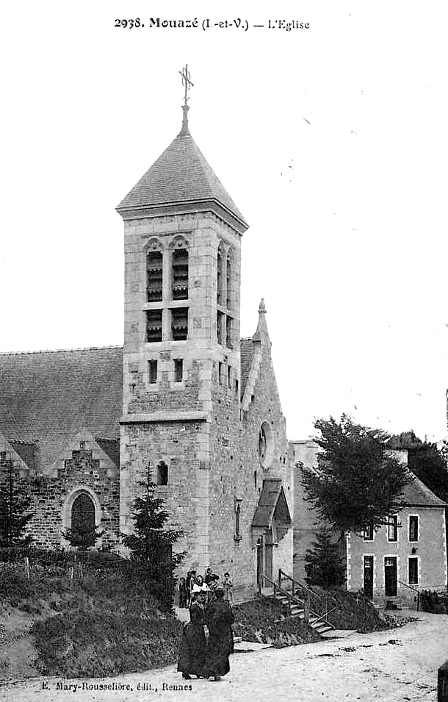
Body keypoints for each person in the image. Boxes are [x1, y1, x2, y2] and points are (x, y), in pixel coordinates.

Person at [203, 587, 234, 682]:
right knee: (223, 651)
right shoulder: (226, 605)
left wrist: (211, 627)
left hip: (214, 632)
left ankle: (213, 671)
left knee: (213, 651)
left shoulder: (210, 605)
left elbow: (206, 618)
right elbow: (231, 618)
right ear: (223, 594)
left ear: (215, 594)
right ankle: (217, 671)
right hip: (224, 632)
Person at [177, 590, 207, 679]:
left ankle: (198, 671)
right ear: (196, 597)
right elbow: (195, 620)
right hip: (193, 631)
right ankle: (187, 671)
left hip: (198, 630)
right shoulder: (194, 607)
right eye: (200, 596)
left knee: (199, 650)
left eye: (204, 596)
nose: (203, 597)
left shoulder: (201, 606)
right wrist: (206, 621)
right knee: (193, 650)